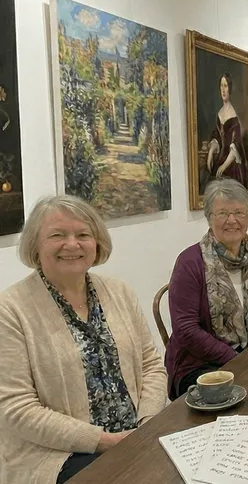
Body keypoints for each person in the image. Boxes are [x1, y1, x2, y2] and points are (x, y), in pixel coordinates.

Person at [0, 195, 167, 483]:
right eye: (57, 235)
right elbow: (16, 408)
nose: (72, 244)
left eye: (83, 235)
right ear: (35, 245)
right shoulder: (10, 310)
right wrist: (106, 442)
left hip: (136, 433)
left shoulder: (120, 292)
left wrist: (148, 424)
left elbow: (151, 365)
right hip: (57, 454)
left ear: (97, 243)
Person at [165, 179, 248, 399]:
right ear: (209, 218)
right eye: (222, 213)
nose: (231, 221)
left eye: (239, 212)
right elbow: (186, 330)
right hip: (202, 365)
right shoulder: (190, 262)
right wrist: (237, 359)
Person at [206, 73, 248, 187]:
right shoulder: (219, 113)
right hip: (221, 159)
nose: (223, 90)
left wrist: (224, 166)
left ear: (230, 88)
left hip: (231, 163)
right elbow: (217, 138)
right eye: (221, 86)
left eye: (226, 86)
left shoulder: (234, 115)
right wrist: (210, 152)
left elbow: (236, 144)